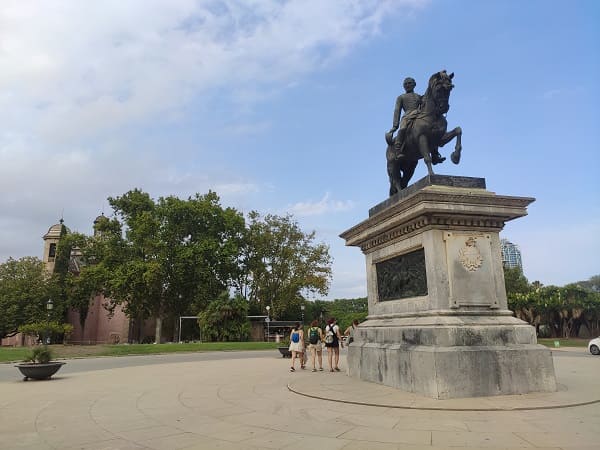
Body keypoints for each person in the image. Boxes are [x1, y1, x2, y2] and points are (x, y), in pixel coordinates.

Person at [387, 77, 445, 164]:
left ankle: (435, 155)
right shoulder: (401, 97)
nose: (407, 85)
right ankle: (398, 150)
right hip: (407, 116)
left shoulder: (419, 96)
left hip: (419, 114)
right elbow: (397, 111)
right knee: (403, 129)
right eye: (405, 84)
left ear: (414, 84)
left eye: (409, 83)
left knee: (432, 130)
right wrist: (395, 126)